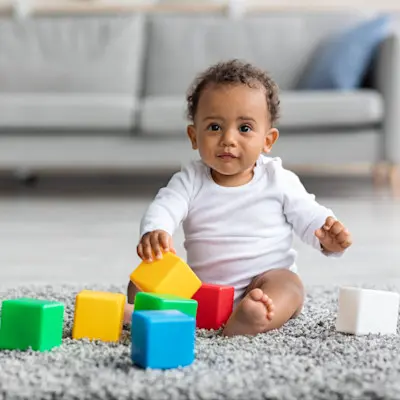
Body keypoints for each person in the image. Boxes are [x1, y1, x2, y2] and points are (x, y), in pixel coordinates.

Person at [125, 59, 352, 337]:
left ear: (267, 141)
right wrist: (155, 231)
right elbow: (165, 206)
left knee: (290, 285)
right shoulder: (190, 180)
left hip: (262, 282)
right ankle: (148, 312)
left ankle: (251, 317)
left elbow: (310, 216)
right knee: (142, 280)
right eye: (214, 128)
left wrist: (327, 237)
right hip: (200, 290)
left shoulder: (278, 179)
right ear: (193, 136)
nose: (228, 139)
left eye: (244, 128)